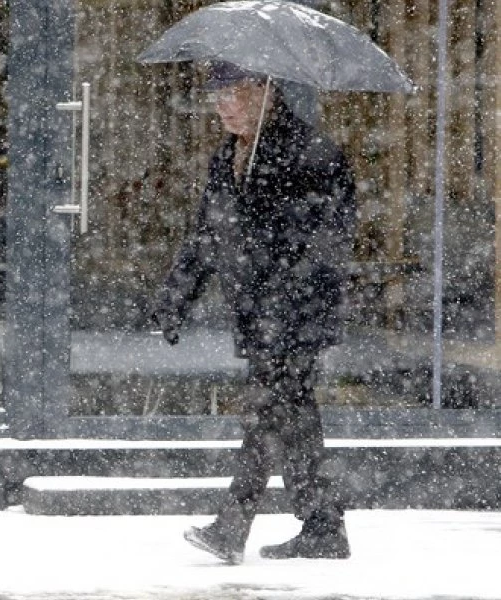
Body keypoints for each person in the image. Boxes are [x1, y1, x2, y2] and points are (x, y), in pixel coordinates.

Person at [150, 61, 357, 565]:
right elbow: (207, 234)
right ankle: (323, 525)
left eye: (231, 93)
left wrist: (283, 283)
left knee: (268, 412)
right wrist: (176, 297)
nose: (221, 104)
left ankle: (232, 525)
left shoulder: (312, 153)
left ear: (264, 91)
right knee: (294, 416)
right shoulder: (230, 156)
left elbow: (329, 239)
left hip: (296, 314)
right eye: (216, 95)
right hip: (259, 311)